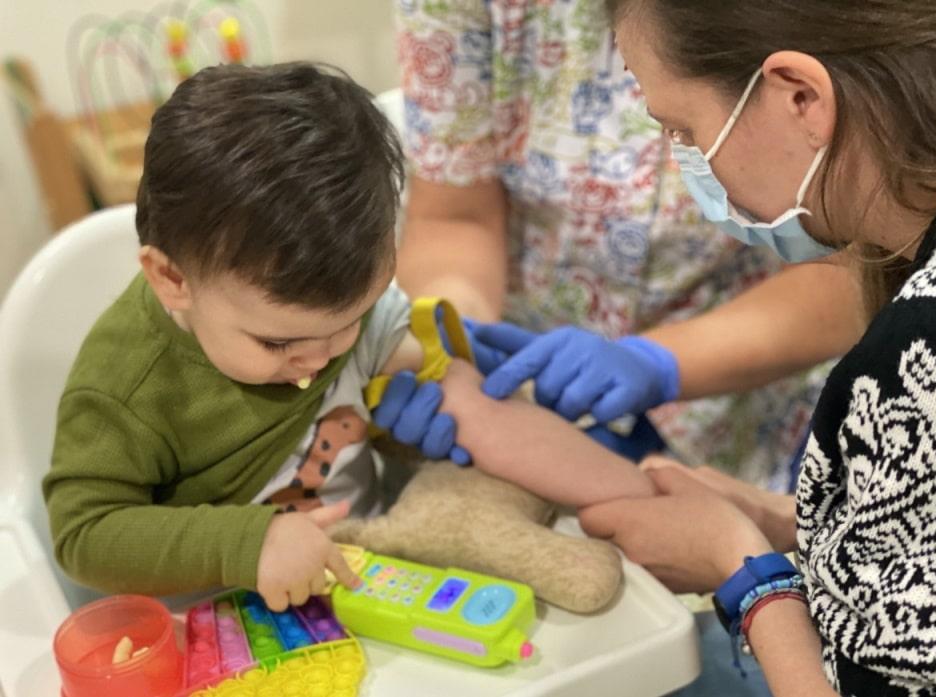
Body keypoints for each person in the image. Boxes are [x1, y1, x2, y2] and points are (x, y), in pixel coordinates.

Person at [41, 61, 659, 613]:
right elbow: (83, 535)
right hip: (216, 624)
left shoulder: (343, 310)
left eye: (349, 324)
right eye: (277, 345)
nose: (316, 362)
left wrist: (646, 495)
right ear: (172, 278)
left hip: (367, 584)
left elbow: (483, 416)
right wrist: (245, 543)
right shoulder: (128, 387)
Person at [576, 1, 936, 695]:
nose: (690, 162)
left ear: (801, 97)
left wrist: (745, 570)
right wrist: (793, 523)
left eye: (682, 129)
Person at [391, 0, 865, 488]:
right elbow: (455, 218)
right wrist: (450, 339)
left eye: (682, 130)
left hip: (754, 411)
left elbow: (858, 263)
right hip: (526, 383)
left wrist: (657, 364)